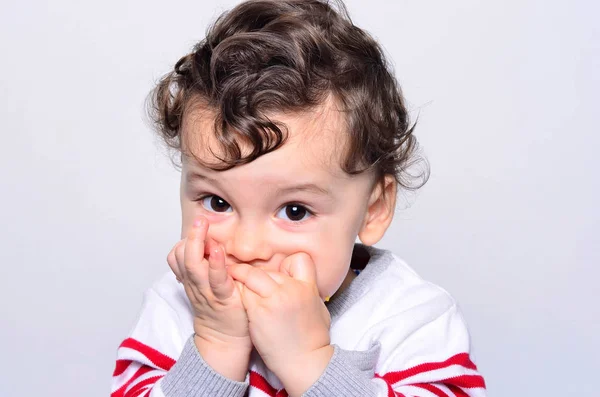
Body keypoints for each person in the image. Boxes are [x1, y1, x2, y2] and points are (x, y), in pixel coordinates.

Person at [111, 0, 486, 396]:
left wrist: (308, 362)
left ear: (373, 209)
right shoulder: (178, 306)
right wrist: (216, 348)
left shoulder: (410, 319)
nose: (246, 247)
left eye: (294, 210)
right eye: (217, 202)